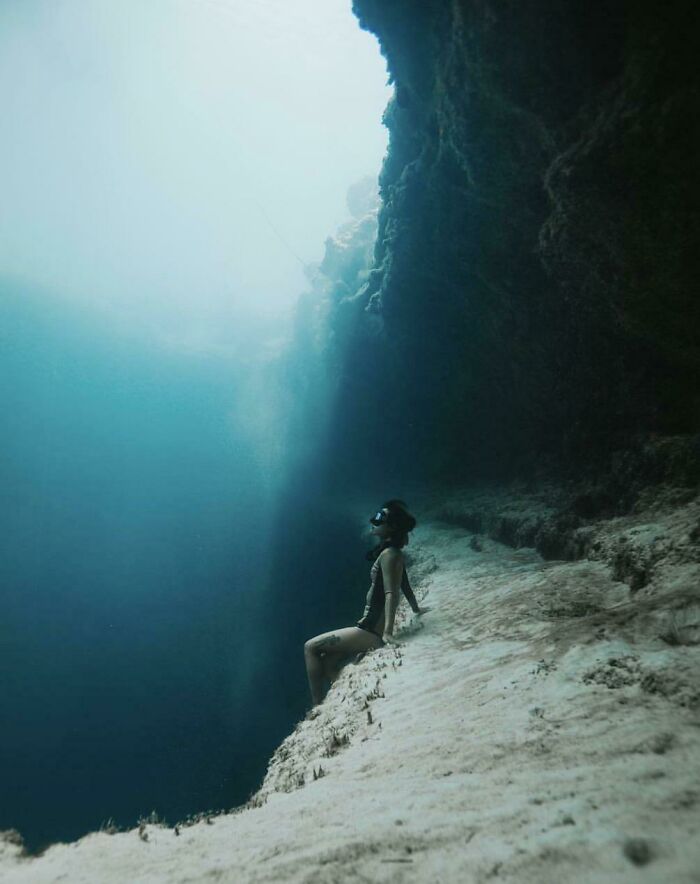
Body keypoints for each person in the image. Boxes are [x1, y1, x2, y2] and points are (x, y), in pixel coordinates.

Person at [303, 499, 430, 707]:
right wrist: (415, 607)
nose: (374, 520)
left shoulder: (389, 555)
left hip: (370, 632)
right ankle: (340, 692)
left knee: (310, 648)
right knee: (326, 661)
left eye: (380, 517)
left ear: (392, 527)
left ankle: (317, 706)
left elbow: (392, 593)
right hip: (369, 629)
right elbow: (404, 584)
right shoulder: (392, 554)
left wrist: (387, 633)